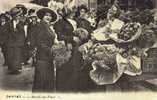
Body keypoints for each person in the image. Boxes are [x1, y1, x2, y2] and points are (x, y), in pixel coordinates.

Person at [32, 8, 57, 92]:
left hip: (48, 57)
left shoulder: (48, 26)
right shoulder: (40, 26)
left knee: (48, 81)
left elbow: (51, 40)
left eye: (50, 16)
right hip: (42, 57)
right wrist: (50, 50)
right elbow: (39, 42)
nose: (48, 17)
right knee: (40, 81)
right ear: (42, 16)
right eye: (46, 15)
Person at [6, 7, 26, 74]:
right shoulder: (9, 23)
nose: (17, 17)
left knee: (17, 55)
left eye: (18, 15)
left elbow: (22, 32)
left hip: (18, 42)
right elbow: (7, 32)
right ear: (12, 16)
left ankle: (17, 69)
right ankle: (12, 68)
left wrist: (18, 25)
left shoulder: (21, 23)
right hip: (11, 42)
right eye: (15, 15)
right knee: (11, 55)